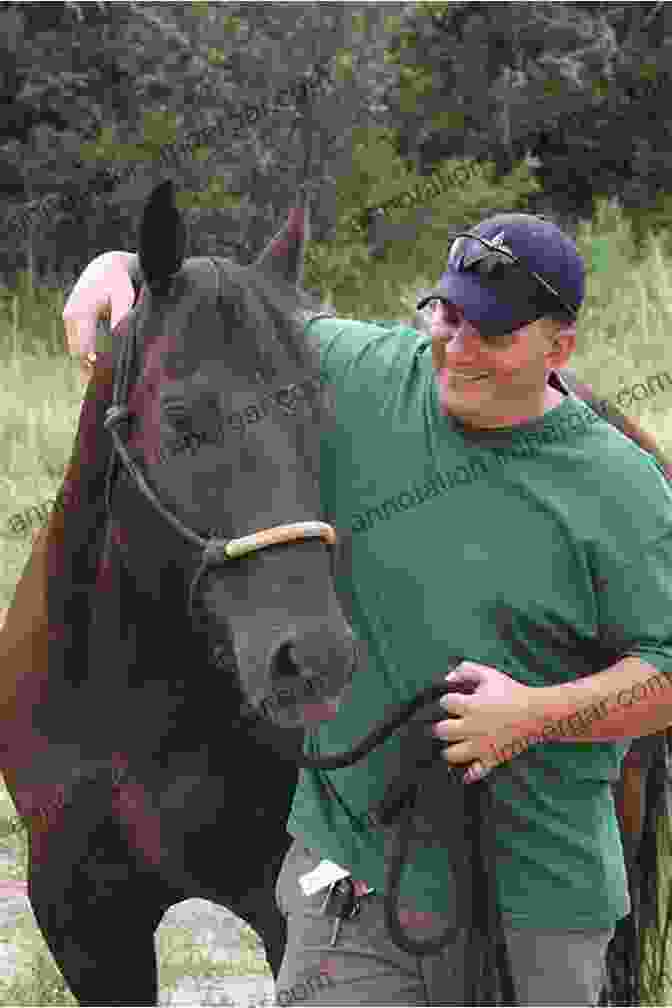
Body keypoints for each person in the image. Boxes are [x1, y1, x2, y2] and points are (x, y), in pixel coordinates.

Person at [63, 212, 672, 1006]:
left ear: (558, 349)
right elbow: (223, 313)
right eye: (446, 316)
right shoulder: (362, 369)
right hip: (349, 891)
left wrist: (536, 716)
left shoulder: (619, 486)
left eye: (490, 333)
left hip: (537, 905)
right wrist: (118, 267)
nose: (456, 347)